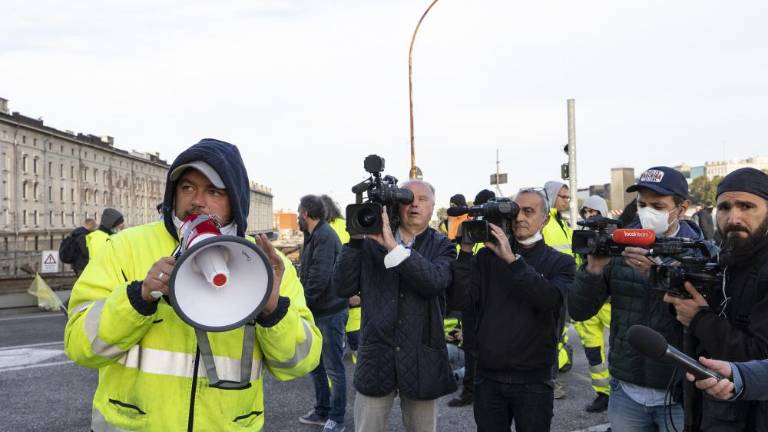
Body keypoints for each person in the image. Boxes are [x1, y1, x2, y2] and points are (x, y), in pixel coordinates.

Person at [64, 138, 322, 431]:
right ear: (173, 193)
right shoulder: (123, 248)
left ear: (236, 200)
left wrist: (273, 311)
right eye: (187, 188)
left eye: (213, 191)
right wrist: (138, 298)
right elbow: (80, 346)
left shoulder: (267, 265)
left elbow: (300, 363)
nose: (197, 201)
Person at [569, 166, 702, 431]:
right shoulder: (621, 246)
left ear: (682, 208)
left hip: (676, 392)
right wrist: (593, 268)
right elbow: (579, 310)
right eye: (642, 204)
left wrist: (659, 274)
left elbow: (701, 322)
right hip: (626, 389)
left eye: (658, 205)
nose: (647, 212)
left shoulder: (701, 252)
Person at [334, 180, 456, 432]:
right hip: (377, 356)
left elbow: (434, 282)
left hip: (422, 356)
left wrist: (393, 246)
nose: (414, 204)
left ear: (433, 207)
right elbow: (341, 288)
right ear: (396, 205)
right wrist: (355, 242)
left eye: (423, 199)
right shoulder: (369, 241)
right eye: (408, 198)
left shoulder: (441, 245)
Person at [449, 187, 574, 431]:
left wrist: (513, 262)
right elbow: (458, 300)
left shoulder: (560, 262)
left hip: (534, 382)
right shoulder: (485, 257)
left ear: (545, 219)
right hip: (487, 379)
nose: (520, 218)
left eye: (529, 211)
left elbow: (549, 300)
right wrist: (464, 252)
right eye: (516, 211)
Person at [664, 167, 768, 430]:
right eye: (724, 208)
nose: (734, 217)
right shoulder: (722, 259)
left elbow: (760, 358)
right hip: (708, 411)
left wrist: (699, 318)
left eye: (747, 206)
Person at [297, 194, 348, 432]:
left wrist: (301, 304)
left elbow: (318, 277)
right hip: (317, 311)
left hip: (329, 313)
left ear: (306, 213)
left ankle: (336, 418)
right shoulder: (312, 235)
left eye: (299, 213)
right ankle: (321, 410)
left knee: (334, 368)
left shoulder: (325, 236)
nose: (298, 217)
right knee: (315, 364)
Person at [447, 189, 493, 408]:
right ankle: (470, 390)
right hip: (471, 297)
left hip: (494, 297)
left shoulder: (504, 230)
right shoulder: (468, 225)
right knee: (471, 348)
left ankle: (482, 389)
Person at [574, 195, 612, 413]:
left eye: (594, 212)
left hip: (610, 303)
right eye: (586, 212)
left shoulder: (614, 235)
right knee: (593, 353)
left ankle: (619, 394)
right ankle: (602, 394)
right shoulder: (580, 236)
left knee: (621, 348)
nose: (589, 216)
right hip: (591, 305)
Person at [542, 181, 575, 398]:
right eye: (563, 197)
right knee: (548, 337)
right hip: (549, 289)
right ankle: (549, 382)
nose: (567, 201)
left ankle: (552, 377)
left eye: (568, 197)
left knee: (557, 335)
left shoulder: (561, 222)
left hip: (563, 287)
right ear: (553, 196)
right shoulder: (546, 222)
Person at [320, 194, 360, 363]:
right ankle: (357, 354)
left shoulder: (320, 230)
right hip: (351, 285)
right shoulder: (346, 225)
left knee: (332, 327)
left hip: (330, 288)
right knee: (354, 322)